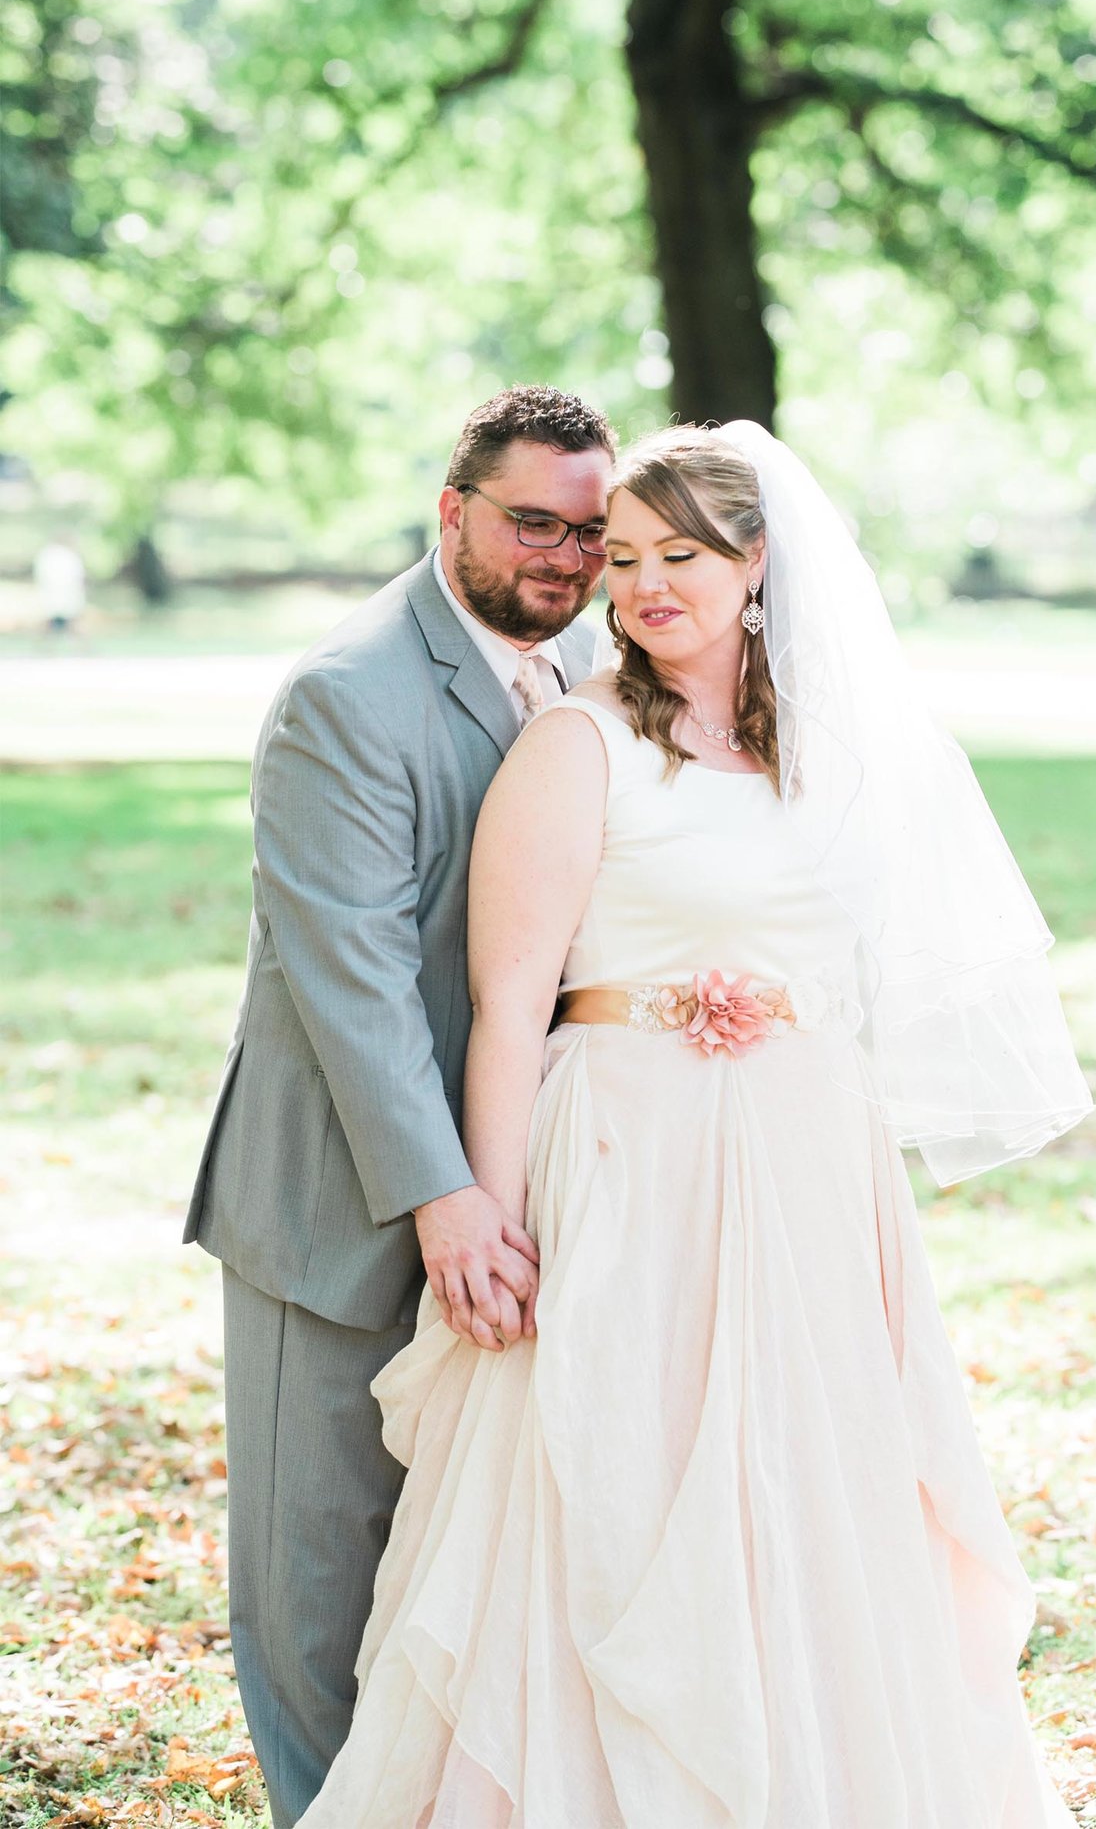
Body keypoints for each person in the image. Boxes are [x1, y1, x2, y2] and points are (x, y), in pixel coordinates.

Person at [296, 422, 1093, 1825]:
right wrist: (484, 1211)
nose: (647, 583)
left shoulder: (832, 757)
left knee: (804, 1496)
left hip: (802, 1174)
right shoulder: (575, 743)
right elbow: (509, 1005)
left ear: (755, 561)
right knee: (615, 1490)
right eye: (623, 557)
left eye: (683, 555)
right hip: (621, 1161)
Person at [185, 387, 616, 1825]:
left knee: (465, 1566)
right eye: (531, 523)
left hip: (523, 1194)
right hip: (339, 1202)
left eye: (588, 530)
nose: (562, 556)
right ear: (455, 513)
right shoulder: (347, 693)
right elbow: (353, 981)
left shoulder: (591, 682)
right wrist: (446, 1199)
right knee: (318, 1571)